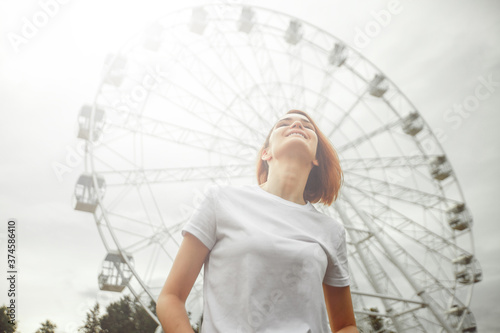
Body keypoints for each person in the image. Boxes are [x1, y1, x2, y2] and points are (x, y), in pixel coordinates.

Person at [156, 109, 358, 333]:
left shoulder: (331, 231)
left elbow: (346, 325)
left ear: (316, 158)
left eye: (307, 126)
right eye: (285, 123)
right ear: (266, 153)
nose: (298, 126)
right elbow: (170, 298)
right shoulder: (221, 201)